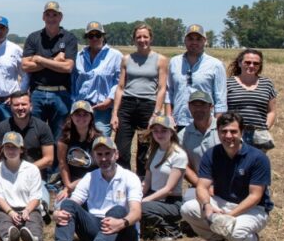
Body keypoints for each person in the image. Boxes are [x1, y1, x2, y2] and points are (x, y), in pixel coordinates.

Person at [180, 113, 273, 241]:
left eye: (233, 131)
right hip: (221, 202)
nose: (228, 136)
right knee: (188, 209)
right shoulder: (212, 154)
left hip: (253, 209)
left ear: (242, 132)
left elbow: (255, 196)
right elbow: (202, 186)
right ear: (217, 132)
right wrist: (207, 205)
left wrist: (229, 216)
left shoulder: (258, 158)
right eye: (223, 131)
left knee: (236, 233)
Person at [47, 136, 142, 241]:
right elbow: (74, 202)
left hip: (123, 234)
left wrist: (122, 223)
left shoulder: (130, 178)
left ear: (116, 154)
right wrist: (57, 212)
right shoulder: (89, 177)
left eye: (107, 154)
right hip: (96, 227)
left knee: (118, 210)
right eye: (99, 154)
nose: (104, 159)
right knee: (68, 203)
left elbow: (136, 212)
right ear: (94, 157)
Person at [111, 23, 168, 171]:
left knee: (145, 151)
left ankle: (142, 183)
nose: (142, 40)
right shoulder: (126, 59)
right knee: (122, 149)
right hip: (127, 106)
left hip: (148, 106)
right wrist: (115, 113)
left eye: (145, 37)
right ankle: (124, 180)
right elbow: (120, 87)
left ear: (151, 39)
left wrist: (156, 113)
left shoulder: (160, 60)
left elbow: (162, 88)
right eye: (138, 37)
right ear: (134, 40)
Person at [21, 1, 78, 140]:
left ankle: (56, 162)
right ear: (43, 17)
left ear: (61, 17)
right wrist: (54, 61)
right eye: (48, 14)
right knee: (34, 134)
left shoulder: (69, 38)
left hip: (61, 93)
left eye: (55, 15)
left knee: (59, 136)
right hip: (37, 92)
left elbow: (68, 67)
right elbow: (25, 66)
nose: (51, 18)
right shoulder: (34, 38)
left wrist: (39, 59)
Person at [0, 132, 45, 241]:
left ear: (21, 150)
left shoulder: (32, 169)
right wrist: (10, 212)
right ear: (2, 149)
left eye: (14, 147)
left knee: (34, 220)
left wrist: (27, 210)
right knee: (2, 221)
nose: (11, 150)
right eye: (7, 147)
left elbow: (36, 197)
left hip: (28, 208)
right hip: (4, 209)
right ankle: (9, 240)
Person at [168, 24, 228, 128]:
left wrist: (217, 125)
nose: (194, 42)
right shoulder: (174, 62)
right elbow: (169, 92)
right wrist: (169, 116)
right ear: (185, 41)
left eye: (198, 39)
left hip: (205, 123)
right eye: (190, 39)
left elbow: (220, 99)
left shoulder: (215, 65)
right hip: (178, 121)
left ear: (205, 41)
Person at [141, 114, 188, 241]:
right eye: (155, 131)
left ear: (172, 132)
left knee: (140, 208)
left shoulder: (179, 155)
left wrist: (144, 201)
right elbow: (147, 182)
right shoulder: (153, 151)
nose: (159, 134)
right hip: (154, 197)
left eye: (164, 130)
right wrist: (136, 197)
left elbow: (169, 189)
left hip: (171, 202)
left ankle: (171, 229)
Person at [72, 21, 122, 136]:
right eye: (91, 36)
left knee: (101, 143)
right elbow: (73, 81)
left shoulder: (115, 55)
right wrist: (74, 101)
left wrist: (109, 100)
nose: (94, 38)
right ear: (87, 38)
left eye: (98, 35)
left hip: (103, 109)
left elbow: (119, 82)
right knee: (80, 141)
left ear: (103, 36)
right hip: (81, 108)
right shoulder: (79, 56)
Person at [0, 92, 56, 181]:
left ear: (31, 106)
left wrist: (24, 171)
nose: (20, 108)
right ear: (10, 107)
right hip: (8, 177)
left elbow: (49, 159)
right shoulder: (1, 127)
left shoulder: (42, 127)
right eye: (16, 105)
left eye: (24, 104)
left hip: (35, 177)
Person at [226, 48, 278, 151]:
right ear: (240, 63)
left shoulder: (267, 84)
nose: (251, 66)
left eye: (256, 63)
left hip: (259, 136)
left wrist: (265, 127)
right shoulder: (227, 83)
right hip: (234, 134)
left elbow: (272, 111)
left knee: (256, 165)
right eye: (247, 62)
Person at [54, 100, 101, 201]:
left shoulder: (98, 139)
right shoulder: (64, 139)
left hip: (94, 181)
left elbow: (101, 167)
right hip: (71, 181)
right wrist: (68, 187)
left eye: (85, 115)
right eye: (77, 114)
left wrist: (79, 183)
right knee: (61, 208)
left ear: (91, 117)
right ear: (71, 117)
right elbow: (62, 164)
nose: (81, 118)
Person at [178, 89, 220, 188]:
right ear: (189, 107)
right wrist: (202, 186)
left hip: (227, 185)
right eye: (194, 105)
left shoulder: (224, 129)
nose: (198, 109)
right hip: (199, 185)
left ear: (211, 107)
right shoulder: (182, 135)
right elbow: (184, 166)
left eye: (202, 105)